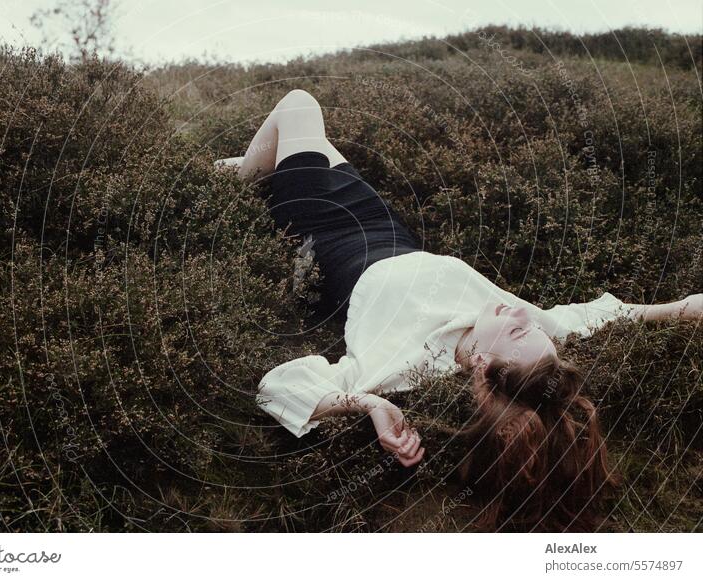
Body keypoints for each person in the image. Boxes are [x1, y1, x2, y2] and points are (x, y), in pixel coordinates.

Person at [217, 89, 702, 530]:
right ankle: (257, 171)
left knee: (299, 105)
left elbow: (276, 388)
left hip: (323, 230)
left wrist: (368, 404)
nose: (518, 314)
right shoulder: (528, 334)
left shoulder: (404, 368)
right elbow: (600, 317)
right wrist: (684, 307)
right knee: (307, 148)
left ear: (483, 366)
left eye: (516, 331)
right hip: (383, 225)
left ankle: (231, 188)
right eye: (528, 323)